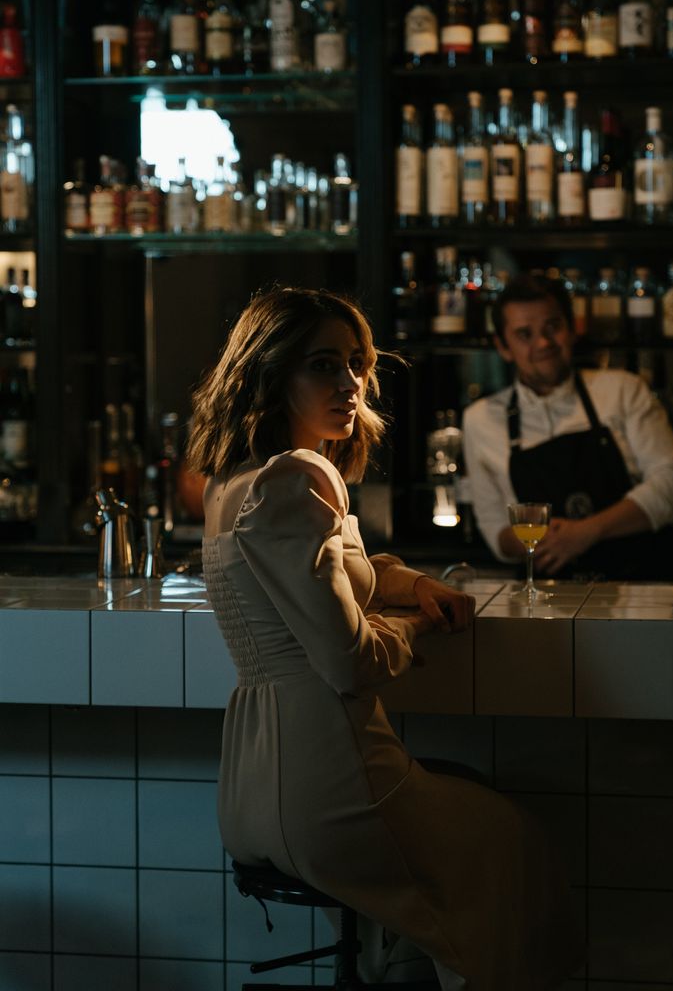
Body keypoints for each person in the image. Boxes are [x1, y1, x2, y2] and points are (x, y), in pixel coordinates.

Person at [186, 285, 582, 990]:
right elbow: (349, 662)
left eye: (357, 363)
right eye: (323, 365)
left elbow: (337, 568)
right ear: (270, 372)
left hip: (249, 787)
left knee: (458, 813)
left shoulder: (232, 482)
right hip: (329, 782)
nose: (350, 383)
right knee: (510, 842)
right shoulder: (299, 476)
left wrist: (412, 585)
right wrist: (413, 625)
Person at [462, 273, 673, 580]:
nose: (543, 342)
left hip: (640, 586)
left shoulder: (623, 390)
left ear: (572, 330)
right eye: (524, 334)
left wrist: (587, 532)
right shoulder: (480, 419)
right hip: (545, 599)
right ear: (503, 346)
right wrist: (549, 541)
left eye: (553, 327)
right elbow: (494, 528)